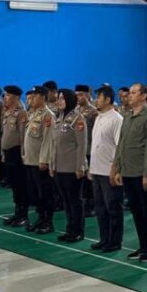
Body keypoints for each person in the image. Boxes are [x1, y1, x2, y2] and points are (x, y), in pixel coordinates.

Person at [111, 83, 147, 263]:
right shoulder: (128, 116)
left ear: (143, 96)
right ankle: (143, 246)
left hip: (142, 173)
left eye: (133, 93)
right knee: (136, 212)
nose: (129, 96)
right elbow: (121, 144)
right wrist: (118, 168)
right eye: (129, 93)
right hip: (128, 171)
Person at [89, 85, 124, 252]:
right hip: (97, 169)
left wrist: (115, 170)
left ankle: (115, 241)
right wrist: (91, 168)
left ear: (108, 99)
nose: (96, 100)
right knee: (100, 208)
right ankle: (104, 238)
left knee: (113, 208)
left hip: (109, 170)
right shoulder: (99, 117)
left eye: (99, 97)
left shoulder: (116, 119)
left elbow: (119, 147)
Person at [51, 89, 88, 243]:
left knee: (75, 200)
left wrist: (79, 166)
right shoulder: (59, 118)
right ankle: (70, 229)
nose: (59, 101)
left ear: (69, 100)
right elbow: (54, 144)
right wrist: (52, 164)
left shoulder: (77, 119)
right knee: (66, 200)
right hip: (59, 167)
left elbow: (82, 145)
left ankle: (78, 231)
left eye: (62, 98)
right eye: (58, 98)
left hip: (72, 168)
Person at [23, 86, 56, 234]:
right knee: (36, 194)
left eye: (35, 96)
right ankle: (40, 218)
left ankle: (48, 222)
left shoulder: (48, 115)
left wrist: (44, 159)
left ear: (43, 98)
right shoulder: (34, 113)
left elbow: (48, 139)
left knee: (45, 193)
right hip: (31, 160)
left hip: (40, 162)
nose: (32, 99)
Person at [1, 86, 30, 227]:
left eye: (7, 96)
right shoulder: (8, 112)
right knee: (13, 184)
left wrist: (23, 154)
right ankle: (17, 213)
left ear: (16, 97)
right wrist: (2, 152)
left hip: (17, 153)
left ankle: (23, 215)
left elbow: (23, 136)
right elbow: (5, 134)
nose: (5, 98)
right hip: (8, 152)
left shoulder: (21, 113)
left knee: (20, 184)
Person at [76, 85, 99, 217]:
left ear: (87, 95)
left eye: (80, 95)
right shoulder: (75, 111)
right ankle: (84, 204)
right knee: (82, 180)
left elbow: (96, 133)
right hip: (80, 151)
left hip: (90, 150)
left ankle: (92, 205)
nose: (78, 97)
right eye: (76, 95)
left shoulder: (93, 112)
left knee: (90, 180)